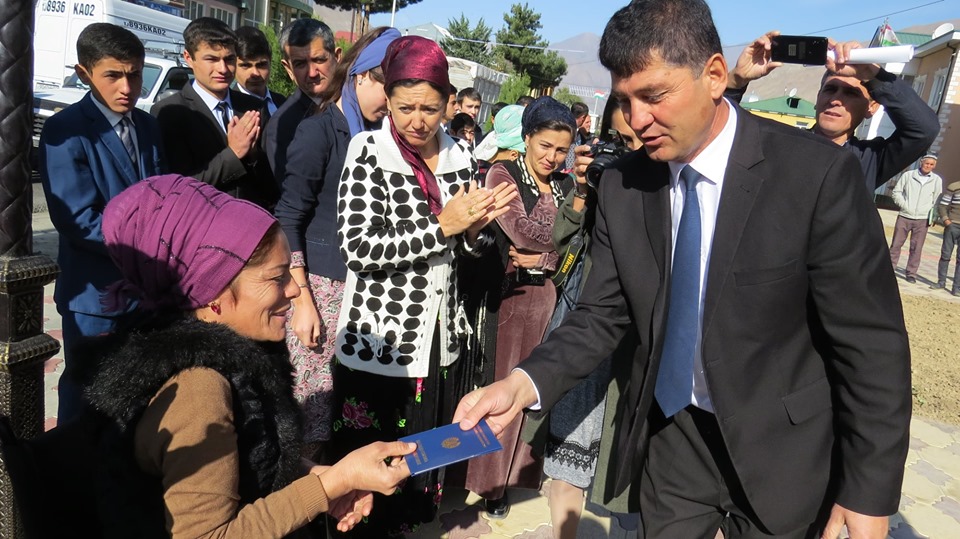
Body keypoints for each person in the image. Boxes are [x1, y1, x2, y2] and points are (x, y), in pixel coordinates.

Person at [455, 2, 911, 539]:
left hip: (784, 452)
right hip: (674, 442)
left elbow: (870, 344)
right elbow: (602, 313)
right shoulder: (625, 185)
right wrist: (522, 384)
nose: (636, 120)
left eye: (654, 96)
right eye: (626, 100)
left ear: (715, 75)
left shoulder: (815, 173)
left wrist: (867, 491)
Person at [59, 174, 414, 537]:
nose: (295, 290)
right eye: (276, 278)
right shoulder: (198, 390)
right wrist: (334, 483)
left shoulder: (199, 352)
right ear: (213, 292)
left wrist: (317, 478)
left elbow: (248, 462)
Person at [331, 36, 517, 537]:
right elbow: (359, 249)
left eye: (430, 108)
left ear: (448, 103)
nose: (417, 120)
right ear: (388, 99)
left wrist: (474, 234)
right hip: (381, 341)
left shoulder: (459, 156)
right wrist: (443, 227)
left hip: (437, 340)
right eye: (405, 107)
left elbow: (466, 253)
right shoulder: (368, 152)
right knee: (368, 475)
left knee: (420, 462)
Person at [274, 26, 401, 462]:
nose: (391, 102)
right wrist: (302, 299)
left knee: (345, 418)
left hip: (361, 295)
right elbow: (288, 217)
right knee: (310, 417)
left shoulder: (381, 137)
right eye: (387, 89)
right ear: (361, 75)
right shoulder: (320, 131)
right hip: (320, 290)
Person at [39, 23, 166, 423]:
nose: (127, 87)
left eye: (135, 75)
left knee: (139, 399)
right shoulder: (66, 130)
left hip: (148, 293)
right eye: (113, 75)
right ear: (84, 73)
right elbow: (78, 220)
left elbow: (163, 196)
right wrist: (149, 247)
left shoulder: (147, 125)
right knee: (87, 399)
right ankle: (70, 461)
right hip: (95, 297)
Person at [461, 97, 576, 519]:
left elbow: (576, 243)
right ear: (526, 138)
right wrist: (556, 244)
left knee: (534, 394)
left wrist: (548, 257)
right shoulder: (502, 173)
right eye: (545, 145)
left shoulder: (566, 185)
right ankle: (489, 483)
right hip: (509, 299)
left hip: (549, 301)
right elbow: (522, 232)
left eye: (561, 150)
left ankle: (516, 477)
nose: (552, 157)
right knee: (503, 390)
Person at [537, 96, 643, 538]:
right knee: (567, 458)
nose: (624, 151)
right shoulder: (600, 183)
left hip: (635, 346)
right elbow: (561, 240)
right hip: (584, 329)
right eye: (616, 139)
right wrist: (583, 190)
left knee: (625, 474)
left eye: (633, 142)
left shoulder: (669, 190)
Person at [727, 30, 939, 191]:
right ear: (818, 98)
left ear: (871, 107)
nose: (836, 100)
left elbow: (924, 129)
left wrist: (871, 73)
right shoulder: (780, 144)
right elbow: (724, 129)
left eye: (851, 93)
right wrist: (736, 80)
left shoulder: (870, 160)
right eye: (830, 90)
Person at [151, 17, 278, 209]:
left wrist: (253, 155)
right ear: (188, 58)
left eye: (229, 59)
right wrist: (233, 154)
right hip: (202, 222)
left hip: (253, 220)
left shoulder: (253, 107)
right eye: (211, 59)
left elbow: (272, 182)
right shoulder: (171, 113)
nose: (223, 69)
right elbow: (179, 189)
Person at [263, 19, 341, 183]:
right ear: (288, 69)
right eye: (300, 64)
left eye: (319, 60)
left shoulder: (359, 104)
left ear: (337, 57)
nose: (312, 73)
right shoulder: (281, 126)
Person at [889, 155, 943, 283]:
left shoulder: (936, 180)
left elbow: (936, 198)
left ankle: (911, 273)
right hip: (905, 216)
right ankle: (890, 269)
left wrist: (929, 211)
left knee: (916, 248)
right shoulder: (908, 175)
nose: (928, 166)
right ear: (921, 163)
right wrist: (905, 205)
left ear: (934, 166)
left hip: (922, 219)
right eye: (926, 163)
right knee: (896, 244)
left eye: (931, 164)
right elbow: (896, 192)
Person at [234, 26, 286, 121]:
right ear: (233, 66)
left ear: (270, 61)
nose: (255, 73)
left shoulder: (283, 103)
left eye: (261, 65)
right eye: (246, 65)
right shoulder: (229, 109)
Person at [932, 180, 960, 295]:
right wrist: (946, 220)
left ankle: (956, 287)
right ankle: (941, 282)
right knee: (945, 255)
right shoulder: (954, 186)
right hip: (952, 225)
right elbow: (942, 205)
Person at [564, 101, 591, 169]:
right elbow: (570, 153)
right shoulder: (571, 130)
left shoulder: (565, 125)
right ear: (583, 117)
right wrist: (569, 170)